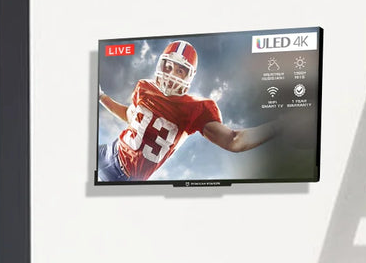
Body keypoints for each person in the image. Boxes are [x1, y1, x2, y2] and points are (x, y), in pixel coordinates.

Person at [97, 40, 281, 182]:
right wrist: (101, 96)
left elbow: (234, 141)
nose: (171, 74)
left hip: (123, 177)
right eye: (168, 67)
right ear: (160, 65)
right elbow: (131, 117)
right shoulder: (144, 87)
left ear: (189, 76)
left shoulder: (195, 108)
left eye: (180, 71)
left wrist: (277, 127)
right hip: (108, 151)